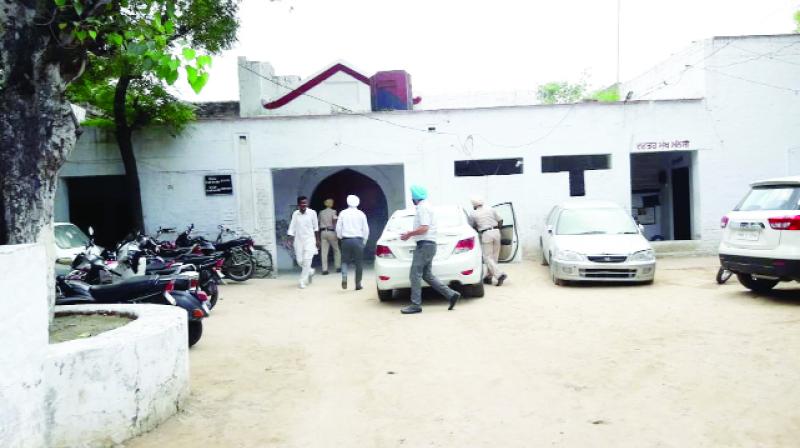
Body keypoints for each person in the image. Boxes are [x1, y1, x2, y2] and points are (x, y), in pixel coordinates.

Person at [399, 185, 461, 314]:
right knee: (427, 275)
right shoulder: (427, 206)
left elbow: (424, 228)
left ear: (415, 197)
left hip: (425, 245)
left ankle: (416, 305)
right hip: (429, 245)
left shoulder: (422, 207)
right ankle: (451, 294)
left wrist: (408, 234)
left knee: (414, 274)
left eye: (412, 196)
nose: (411, 199)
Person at [469, 197, 508, 286]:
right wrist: (498, 229)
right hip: (496, 232)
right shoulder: (490, 209)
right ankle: (488, 277)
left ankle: (500, 275)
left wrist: (478, 230)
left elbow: (471, 226)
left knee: (487, 257)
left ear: (474, 205)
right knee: (494, 257)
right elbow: (500, 220)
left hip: (486, 234)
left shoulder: (473, 214)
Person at [336, 194, 369, 291]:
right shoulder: (361, 214)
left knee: (344, 261)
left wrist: (341, 237)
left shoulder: (343, 213)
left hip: (346, 240)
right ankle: (358, 284)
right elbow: (366, 229)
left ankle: (344, 277)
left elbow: (338, 227)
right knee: (359, 263)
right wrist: (364, 241)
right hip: (358, 240)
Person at [287, 196, 319, 289]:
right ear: (298, 205)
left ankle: (302, 280)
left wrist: (317, 240)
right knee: (300, 261)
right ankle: (310, 271)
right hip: (298, 240)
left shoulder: (312, 213)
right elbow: (292, 227)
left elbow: (316, 228)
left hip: (310, 240)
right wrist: (289, 239)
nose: (304, 205)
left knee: (307, 260)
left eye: (305, 203)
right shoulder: (295, 214)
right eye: (302, 203)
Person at [318, 198, 341, 275]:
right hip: (331, 232)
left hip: (323, 232)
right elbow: (334, 222)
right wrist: (337, 233)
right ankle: (337, 267)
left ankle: (325, 269)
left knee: (324, 252)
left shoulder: (321, 212)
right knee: (336, 250)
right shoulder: (333, 211)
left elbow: (318, 223)